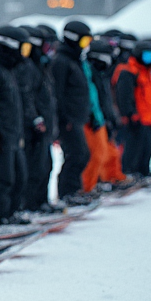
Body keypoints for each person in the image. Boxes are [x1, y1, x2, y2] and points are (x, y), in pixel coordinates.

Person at [0, 26, 29, 224]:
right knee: (3, 180)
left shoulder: (9, 71)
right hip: (1, 137)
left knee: (20, 177)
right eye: (23, 49)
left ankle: (10, 212)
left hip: (13, 135)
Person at [52, 21, 93, 202]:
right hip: (68, 119)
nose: (85, 47)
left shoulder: (75, 61)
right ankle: (67, 192)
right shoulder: (61, 62)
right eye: (83, 42)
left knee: (81, 154)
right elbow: (58, 93)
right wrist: (64, 117)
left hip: (77, 117)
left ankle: (73, 190)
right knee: (77, 154)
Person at [20, 25, 57, 211]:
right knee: (34, 167)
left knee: (45, 165)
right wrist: (34, 118)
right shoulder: (27, 67)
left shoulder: (41, 66)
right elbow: (27, 97)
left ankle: (40, 200)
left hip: (43, 123)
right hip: (32, 126)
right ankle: (31, 203)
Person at [115, 40, 151, 178]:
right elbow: (124, 96)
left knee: (148, 149)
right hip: (138, 119)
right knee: (134, 148)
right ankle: (130, 172)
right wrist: (130, 114)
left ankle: (144, 172)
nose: (150, 59)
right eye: (147, 56)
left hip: (150, 119)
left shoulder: (148, 73)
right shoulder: (129, 72)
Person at [86, 40, 127, 187]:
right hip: (94, 119)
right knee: (97, 155)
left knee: (110, 153)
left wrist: (111, 117)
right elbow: (95, 99)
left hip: (102, 117)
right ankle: (96, 183)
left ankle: (111, 178)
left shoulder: (102, 74)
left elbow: (105, 99)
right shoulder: (91, 72)